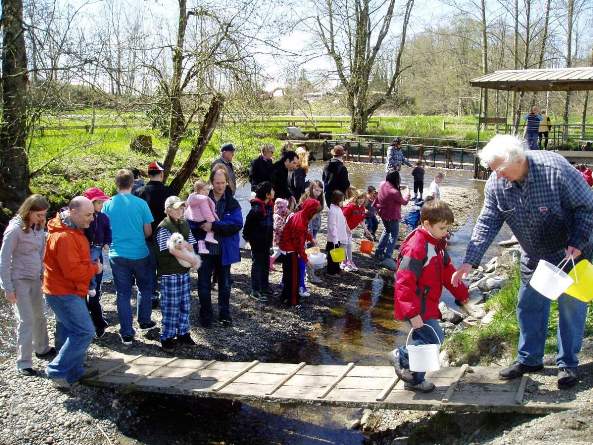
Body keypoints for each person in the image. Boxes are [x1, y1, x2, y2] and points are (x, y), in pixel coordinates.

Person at [452, 134, 593, 390]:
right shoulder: (497, 183)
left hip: (572, 253)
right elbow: (487, 221)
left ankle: (567, 364)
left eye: (500, 169)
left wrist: (579, 240)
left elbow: (587, 207)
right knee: (528, 305)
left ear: (518, 159)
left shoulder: (555, 169)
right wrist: (469, 261)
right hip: (535, 255)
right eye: (492, 170)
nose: (496, 174)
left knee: (571, 309)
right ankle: (530, 359)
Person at [390, 199, 470, 393]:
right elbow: (403, 281)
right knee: (434, 339)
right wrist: (412, 313)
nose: (446, 232)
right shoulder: (417, 246)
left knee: (425, 340)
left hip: (427, 303)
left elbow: (447, 272)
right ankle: (401, 355)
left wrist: (463, 295)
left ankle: (414, 380)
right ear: (427, 224)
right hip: (418, 306)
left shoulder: (437, 244)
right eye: (442, 228)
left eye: (447, 228)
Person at [43, 197, 101, 389]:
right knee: (85, 331)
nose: (91, 219)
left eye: (92, 214)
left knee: (71, 329)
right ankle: (57, 370)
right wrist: (94, 268)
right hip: (63, 292)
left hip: (68, 290)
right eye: (88, 215)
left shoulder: (71, 230)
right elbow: (73, 271)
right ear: (73, 212)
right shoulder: (64, 237)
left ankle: (75, 371)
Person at [0, 194, 55, 376]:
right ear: (29, 211)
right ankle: (23, 362)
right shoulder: (14, 229)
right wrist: (7, 288)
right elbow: (4, 259)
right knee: (26, 320)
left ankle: (42, 348)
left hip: (35, 278)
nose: (42, 218)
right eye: (39, 215)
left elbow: (41, 252)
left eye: (44, 215)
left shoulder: (38, 227)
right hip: (18, 280)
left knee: (40, 314)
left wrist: (42, 274)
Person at [103, 169, 156, 345]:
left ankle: (126, 331)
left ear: (116, 184)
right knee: (145, 287)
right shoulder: (141, 204)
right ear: (132, 183)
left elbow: (104, 229)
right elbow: (148, 231)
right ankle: (144, 321)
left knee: (123, 293)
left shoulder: (108, 204)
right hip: (140, 252)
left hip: (117, 254)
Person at [196, 167, 243, 327]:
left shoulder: (232, 202)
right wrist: (203, 227)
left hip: (224, 250)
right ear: (211, 182)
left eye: (223, 182)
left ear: (227, 182)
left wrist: (214, 225)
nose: (220, 186)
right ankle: (206, 314)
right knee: (203, 283)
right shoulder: (200, 199)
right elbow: (191, 221)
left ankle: (224, 314)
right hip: (205, 249)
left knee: (224, 284)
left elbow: (237, 224)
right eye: (217, 183)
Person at [155, 196, 200, 352]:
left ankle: (183, 333)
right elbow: (172, 250)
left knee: (184, 304)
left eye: (182, 207)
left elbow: (191, 243)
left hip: (183, 271)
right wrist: (192, 260)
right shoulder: (164, 227)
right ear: (168, 210)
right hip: (170, 272)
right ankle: (167, 336)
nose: (181, 210)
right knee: (171, 305)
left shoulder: (184, 223)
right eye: (177, 208)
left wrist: (193, 258)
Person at [134, 161, 174, 307]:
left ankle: (151, 297)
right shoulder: (170, 192)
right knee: (165, 268)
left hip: (146, 237)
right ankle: (166, 296)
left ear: (148, 174)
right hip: (166, 236)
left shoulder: (140, 192)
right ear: (162, 174)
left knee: (149, 268)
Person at [278, 198, 321, 305]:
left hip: (286, 248)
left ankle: (284, 296)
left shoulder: (301, 214)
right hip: (290, 251)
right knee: (294, 277)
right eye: (316, 213)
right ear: (311, 212)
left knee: (288, 275)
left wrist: (311, 238)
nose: (316, 216)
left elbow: (304, 232)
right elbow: (299, 247)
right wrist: (307, 261)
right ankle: (293, 301)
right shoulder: (300, 223)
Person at [82, 187, 112, 338]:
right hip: (84, 254)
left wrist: (107, 242)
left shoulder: (103, 217)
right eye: (99, 202)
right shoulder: (82, 219)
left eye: (102, 202)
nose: (101, 205)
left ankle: (98, 321)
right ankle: (91, 321)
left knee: (95, 289)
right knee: (84, 289)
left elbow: (108, 231)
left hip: (98, 250)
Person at [242, 181, 275, 302]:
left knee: (265, 265)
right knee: (257, 265)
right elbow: (247, 226)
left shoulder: (269, 206)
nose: (274, 192)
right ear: (267, 194)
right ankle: (255, 290)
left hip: (266, 242)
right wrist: (248, 239)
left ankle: (264, 287)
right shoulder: (256, 209)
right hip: (257, 243)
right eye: (272, 190)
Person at [374, 170, 410, 262]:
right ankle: (387, 256)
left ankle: (378, 252)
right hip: (392, 216)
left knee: (386, 230)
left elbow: (389, 188)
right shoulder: (394, 192)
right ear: (396, 179)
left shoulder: (382, 183)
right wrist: (408, 193)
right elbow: (404, 202)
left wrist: (400, 187)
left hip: (382, 212)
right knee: (394, 235)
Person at [185, 180, 219, 255]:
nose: (207, 192)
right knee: (212, 226)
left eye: (208, 189)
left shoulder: (191, 198)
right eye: (205, 189)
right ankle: (209, 236)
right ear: (200, 190)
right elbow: (206, 212)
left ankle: (201, 248)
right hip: (201, 220)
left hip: (192, 222)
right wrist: (212, 221)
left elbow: (187, 209)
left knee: (199, 236)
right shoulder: (203, 200)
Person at [342, 189, 372, 271]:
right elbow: (343, 218)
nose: (361, 200)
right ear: (356, 198)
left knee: (349, 245)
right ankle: (344, 262)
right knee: (344, 245)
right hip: (343, 228)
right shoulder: (351, 206)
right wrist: (347, 229)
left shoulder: (362, 208)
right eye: (359, 198)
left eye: (363, 198)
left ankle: (350, 261)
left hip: (349, 230)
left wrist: (366, 230)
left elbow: (361, 220)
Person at [326, 190, 349, 276]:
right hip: (333, 238)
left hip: (338, 236)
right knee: (332, 256)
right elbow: (332, 226)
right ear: (337, 200)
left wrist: (346, 230)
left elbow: (342, 220)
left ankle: (337, 269)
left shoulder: (338, 208)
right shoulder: (332, 210)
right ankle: (331, 272)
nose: (343, 202)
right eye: (342, 200)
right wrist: (335, 238)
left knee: (337, 254)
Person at [270, 198, 290, 272]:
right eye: (282, 208)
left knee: (279, 252)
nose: (284, 210)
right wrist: (285, 228)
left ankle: (271, 262)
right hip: (279, 238)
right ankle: (270, 261)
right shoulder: (277, 217)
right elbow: (277, 227)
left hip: (279, 237)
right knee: (279, 251)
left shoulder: (279, 214)